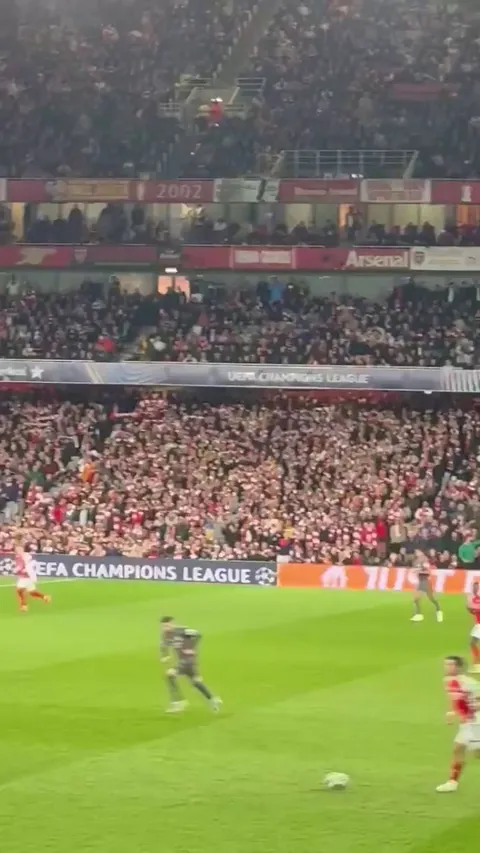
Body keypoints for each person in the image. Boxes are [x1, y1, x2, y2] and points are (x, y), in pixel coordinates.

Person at [160, 616, 222, 713]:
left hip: (188, 659)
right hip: (186, 661)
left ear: (172, 623)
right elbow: (164, 645)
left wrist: (191, 646)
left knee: (170, 674)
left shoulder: (182, 631)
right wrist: (165, 655)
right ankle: (212, 699)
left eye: (167, 626)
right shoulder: (166, 635)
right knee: (196, 682)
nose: (165, 628)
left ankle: (179, 701)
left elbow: (197, 634)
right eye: (163, 626)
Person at [436, 655, 480, 793]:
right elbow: (456, 700)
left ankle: (452, 782)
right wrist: (452, 712)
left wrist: (474, 709)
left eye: (451, 665)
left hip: (476, 722)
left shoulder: (469, 683)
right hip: (466, 723)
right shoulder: (448, 681)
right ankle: (452, 782)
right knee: (458, 749)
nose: (447, 667)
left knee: (477, 754)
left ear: (459, 667)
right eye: (446, 664)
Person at [14, 537, 51, 613]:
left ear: (23, 549)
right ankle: (45, 597)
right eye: (17, 550)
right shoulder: (18, 556)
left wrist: (24, 569)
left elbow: (30, 564)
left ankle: (24, 605)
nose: (18, 551)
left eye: (20, 549)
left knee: (19, 590)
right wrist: (18, 569)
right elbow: (19, 565)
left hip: (27, 576)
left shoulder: (26, 556)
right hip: (24, 576)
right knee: (32, 592)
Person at [410, 552, 443, 623]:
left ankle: (421, 614)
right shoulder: (418, 563)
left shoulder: (425, 564)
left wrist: (418, 570)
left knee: (422, 598)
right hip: (422, 582)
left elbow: (427, 573)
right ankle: (438, 611)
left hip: (425, 582)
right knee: (427, 599)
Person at [467, 582, 480, 673]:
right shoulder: (473, 598)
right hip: (478, 624)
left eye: (476, 587)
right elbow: (473, 611)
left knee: (472, 643)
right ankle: (476, 665)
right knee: (472, 643)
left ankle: (477, 665)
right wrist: (470, 609)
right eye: (474, 587)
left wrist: (473, 609)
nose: (475, 588)